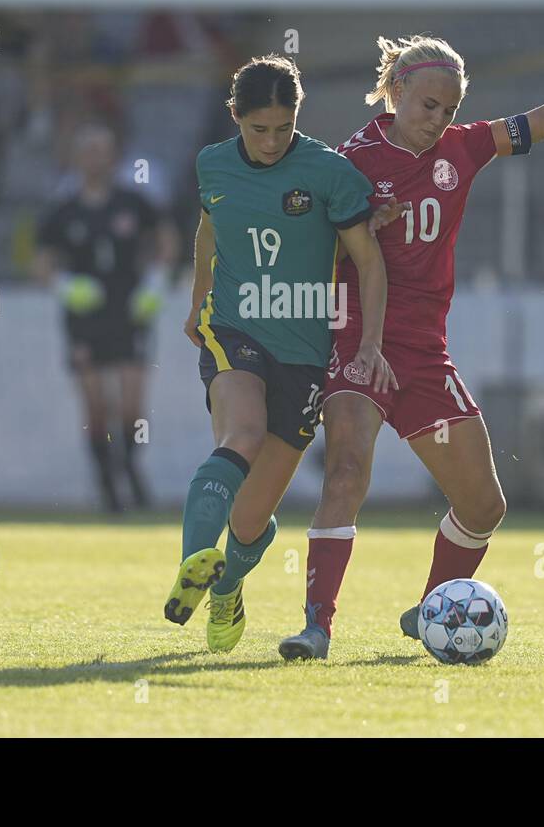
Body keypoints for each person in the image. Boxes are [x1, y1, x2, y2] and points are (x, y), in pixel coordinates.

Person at [279, 29, 544, 659]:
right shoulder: (352, 161)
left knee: (483, 504)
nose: (439, 121)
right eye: (429, 106)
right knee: (345, 468)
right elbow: (308, 248)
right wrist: (358, 229)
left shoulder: (465, 148)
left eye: (449, 110)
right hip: (359, 341)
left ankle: (429, 610)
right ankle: (317, 625)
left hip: (424, 353)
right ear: (395, 92)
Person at [164, 54, 397, 654]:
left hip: (304, 352)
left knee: (250, 520)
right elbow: (209, 229)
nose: (270, 142)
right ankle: (194, 561)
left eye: (282, 128)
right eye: (257, 129)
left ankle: (224, 584)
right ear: (235, 117)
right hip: (234, 329)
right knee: (240, 434)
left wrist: (369, 343)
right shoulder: (211, 165)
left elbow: (368, 261)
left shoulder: (330, 172)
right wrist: (196, 303)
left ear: (298, 117)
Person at [33, 123, 177, 513]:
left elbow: (166, 240)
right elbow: (42, 262)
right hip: (85, 316)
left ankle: (129, 466)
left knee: (132, 401)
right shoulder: (63, 212)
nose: (96, 159)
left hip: (129, 309)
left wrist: (155, 283)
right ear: (77, 158)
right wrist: (65, 287)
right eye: (89, 150)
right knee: (96, 402)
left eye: (103, 150)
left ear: (114, 157)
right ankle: (106, 482)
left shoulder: (134, 202)